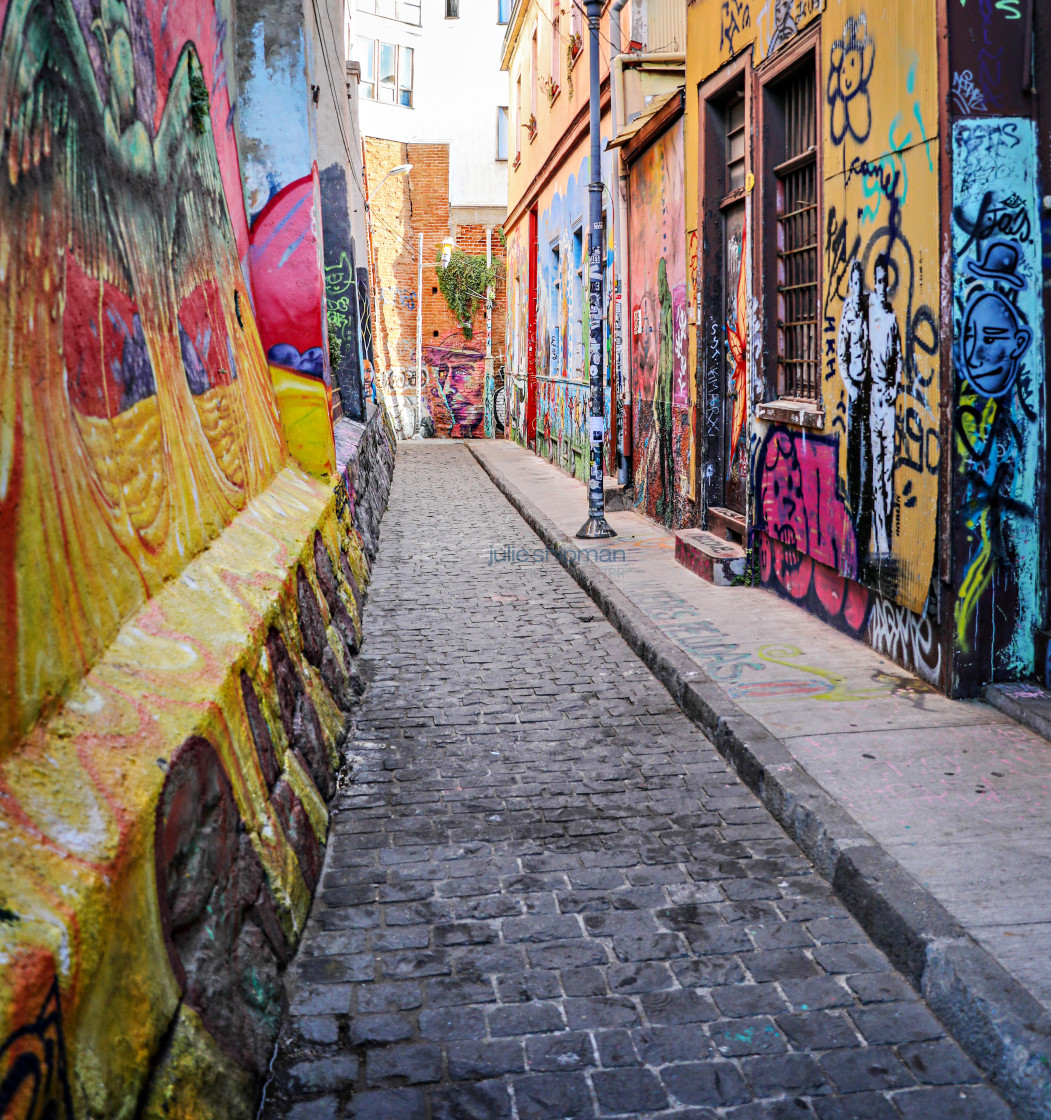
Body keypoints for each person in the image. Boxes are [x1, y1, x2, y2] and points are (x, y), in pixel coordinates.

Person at [867, 255, 902, 556]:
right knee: (876, 466)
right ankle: (878, 537)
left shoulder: (891, 320)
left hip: (887, 399)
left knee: (887, 469)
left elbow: (899, 358)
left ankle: (886, 536)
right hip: (872, 398)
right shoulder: (868, 319)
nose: (880, 287)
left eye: (884, 282)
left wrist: (893, 388)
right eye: (877, 281)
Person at [837, 261, 870, 545]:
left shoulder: (871, 310)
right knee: (854, 450)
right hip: (855, 391)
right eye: (855, 281)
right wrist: (851, 386)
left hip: (872, 393)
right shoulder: (848, 312)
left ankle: (865, 511)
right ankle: (854, 502)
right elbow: (842, 355)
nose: (858, 287)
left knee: (869, 452)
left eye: (862, 281)